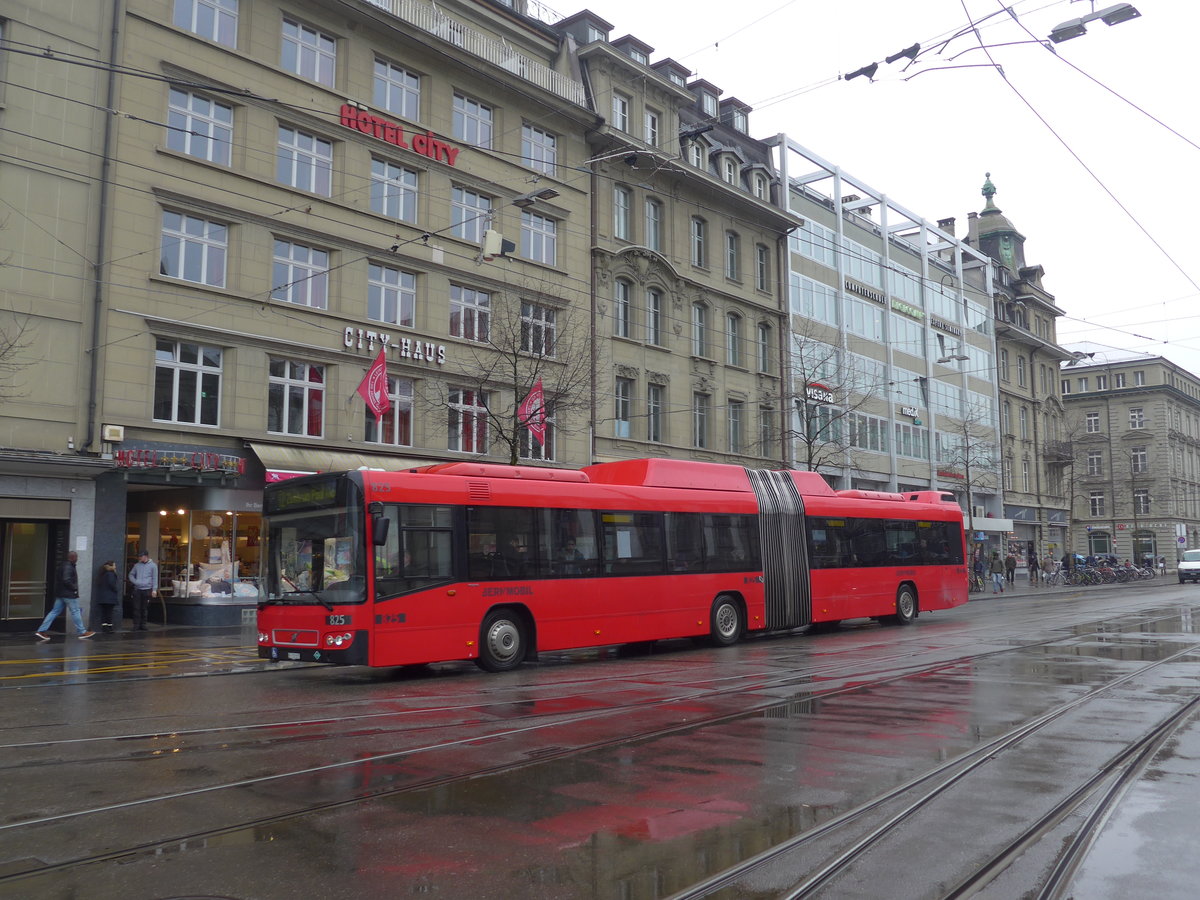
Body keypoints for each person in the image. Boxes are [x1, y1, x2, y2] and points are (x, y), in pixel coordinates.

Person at [35, 551, 95, 641]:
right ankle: (82, 631)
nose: (77, 559)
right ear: (73, 558)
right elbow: (66, 580)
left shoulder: (64, 565)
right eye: (76, 557)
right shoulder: (68, 567)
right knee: (75, 611)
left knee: (54, 612)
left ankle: (41, 631)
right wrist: (74, 588)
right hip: (69, 594)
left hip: (61, 594)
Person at [128, 550, 158, 631]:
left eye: (141, 556)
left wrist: (154, 590)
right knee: (136, 608)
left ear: (146, 556)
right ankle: (136, 624)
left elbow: (155, 578)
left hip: (147, 589)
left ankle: (143, 624)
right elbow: (131, 574)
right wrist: (135, 582)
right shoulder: (137, 565)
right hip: (137, 589)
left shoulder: (153, 566)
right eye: (139, 556)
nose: (139, 558)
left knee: (144, 608)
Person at [96, 560, 120, 633]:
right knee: (109, 612)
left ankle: (104, 627)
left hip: (103, 596)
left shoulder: (103, 573)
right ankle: (109, 627)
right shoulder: (111, 574)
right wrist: (115, 589)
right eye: (114, 565)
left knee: (104, 612)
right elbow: (111, 583)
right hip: (109, 597)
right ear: (111, 566)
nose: (115, 566)